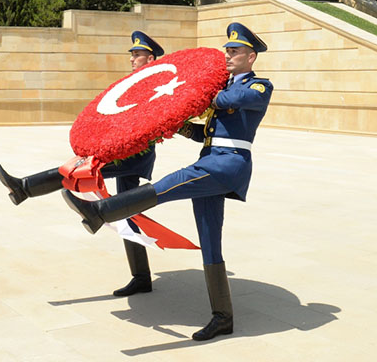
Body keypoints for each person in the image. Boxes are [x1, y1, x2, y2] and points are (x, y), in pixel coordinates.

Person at [61, 22, 273, 341]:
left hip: (228, 165)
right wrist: (181, 126)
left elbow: (232, 99)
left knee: (170, 184)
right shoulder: (226, 89)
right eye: (227, 50)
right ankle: (223, 316)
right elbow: (206, 134)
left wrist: (190, 91)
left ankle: (101, 211)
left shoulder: (259, 87)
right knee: (210, 239)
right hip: (211, 158)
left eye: (235, 51)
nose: (228, 55)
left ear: (251, 57)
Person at [0, 31, 164, 295]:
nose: (132, 59)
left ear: (150, 59)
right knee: (126, 212)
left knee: (76, 171)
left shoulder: (156, 86)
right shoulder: (132, 84)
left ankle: (24, 188)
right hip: (121, 152)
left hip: (135, 156)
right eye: (131, 55)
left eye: (137, 55)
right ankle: (141, 277)